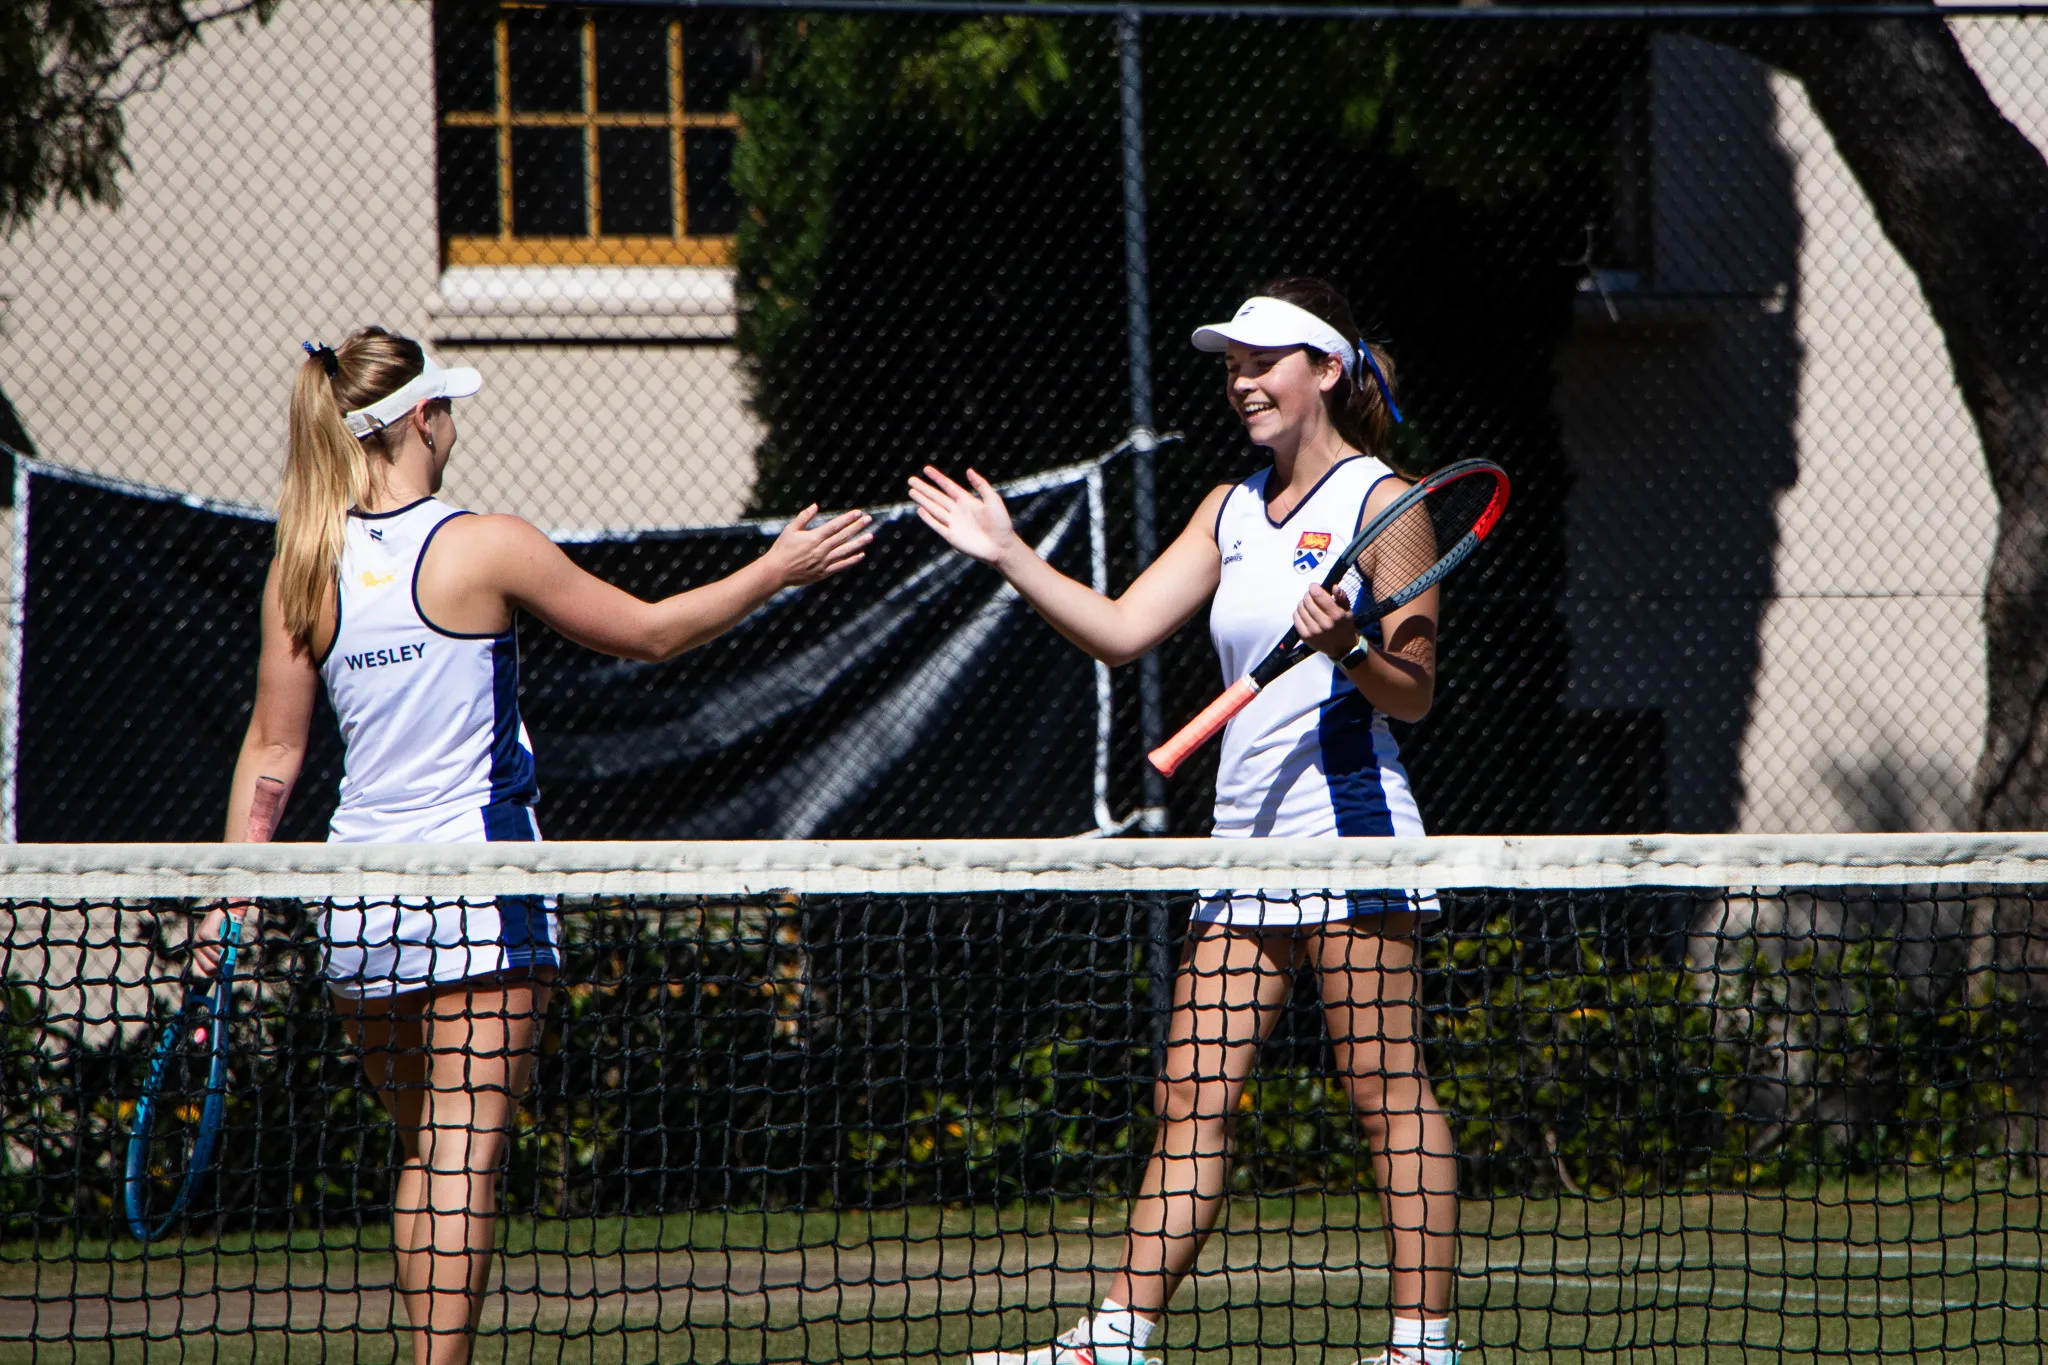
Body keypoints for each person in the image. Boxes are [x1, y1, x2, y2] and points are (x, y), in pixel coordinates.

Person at [192, 326, 870, 1365]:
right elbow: (648, 633)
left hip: (357, 899)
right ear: (423, 418)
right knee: (463, 1151)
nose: (455, 420)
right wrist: (774, 570)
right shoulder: (486, 542)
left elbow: (271, 753)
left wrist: (229, 890)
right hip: (480, 881)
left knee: (428, 1149)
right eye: (447, 406)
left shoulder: (305, 562)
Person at [909, 278, 1461, 1365]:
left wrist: (1352, 647)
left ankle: (1419, 1345)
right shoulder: (1227, 508)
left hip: (1350, 832)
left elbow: (1414, 691)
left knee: (1384, 1090)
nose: (1241, 382)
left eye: (1262, 362)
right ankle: (1111, 1341)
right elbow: (1119, 632)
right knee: (1188, 1091)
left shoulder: (1383, 504)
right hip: (1242, 844)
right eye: (1230, 366)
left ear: (1325, 371)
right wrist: (1010, 554)